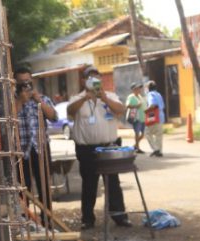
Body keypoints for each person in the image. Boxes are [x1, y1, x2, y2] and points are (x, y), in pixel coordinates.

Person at [68, 65, 131, 229]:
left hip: (109, 147)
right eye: (90, 77)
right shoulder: (77, 98)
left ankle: (119, 216)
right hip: (86, 149)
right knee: (89, 184)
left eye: (97, 76)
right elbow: (70, 111)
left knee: (113, 183)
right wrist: (85, 98)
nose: (94, 80)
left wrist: (104, 98)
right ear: (83, 80)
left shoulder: (110, 96)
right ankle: (88, 219)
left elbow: (121, 110)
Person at [13, 65, 57, 213]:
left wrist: (38, 101)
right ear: (15, 83)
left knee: (44, 187)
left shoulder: (42, 98)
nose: (26, 85)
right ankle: (25, 220)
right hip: (20, 150)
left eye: (28, 81)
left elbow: (54, 117)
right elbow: (7, 121)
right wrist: (20, 101)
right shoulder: (11, 100)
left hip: (40, 147)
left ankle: (47, 220)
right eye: (22, 82)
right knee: (23, 189)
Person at [144, 80, 165, 157]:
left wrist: (145, 111)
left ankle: (155, 149)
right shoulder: (158, 94)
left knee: (147, 133)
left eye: (146, 87)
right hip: (161, 116)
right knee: (158, 135)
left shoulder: (150, 94)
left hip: (153, 116)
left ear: (148, 88)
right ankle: (159, 150)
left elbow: (152, 105)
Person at [125, 82, 147, 153]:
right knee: (137, 133)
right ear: (133, 90)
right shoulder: (131, 97)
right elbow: (127, 105)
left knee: (143, 134)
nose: (139, 90)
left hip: (143, 118)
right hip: (136, 118)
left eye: (139, 88)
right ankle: (137, 148)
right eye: (137, 88)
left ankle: (135, 146)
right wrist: (136, 106)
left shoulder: (140, 96)